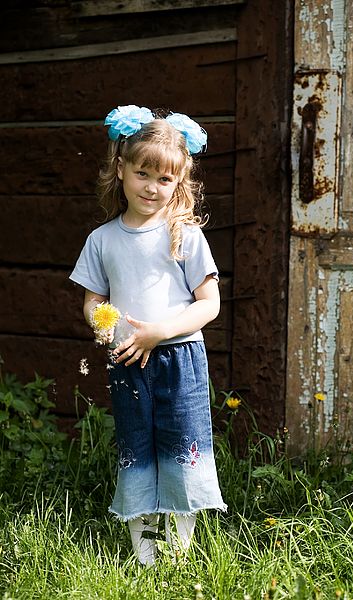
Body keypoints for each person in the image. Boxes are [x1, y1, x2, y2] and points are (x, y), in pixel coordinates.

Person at [69, 105, 227, 565]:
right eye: (143, 174)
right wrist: (106, 328)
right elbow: (93, 301)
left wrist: (160, 331)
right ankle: (145, 554)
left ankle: (177, 555)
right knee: (137, 447)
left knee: (182, 445)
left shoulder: (185, 235)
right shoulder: (102, 240)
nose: (152, 188)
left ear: (179, 182)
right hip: (128, 358)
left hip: (180, 359)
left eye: (165, 180)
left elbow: (209, 303)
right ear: (121, 169)